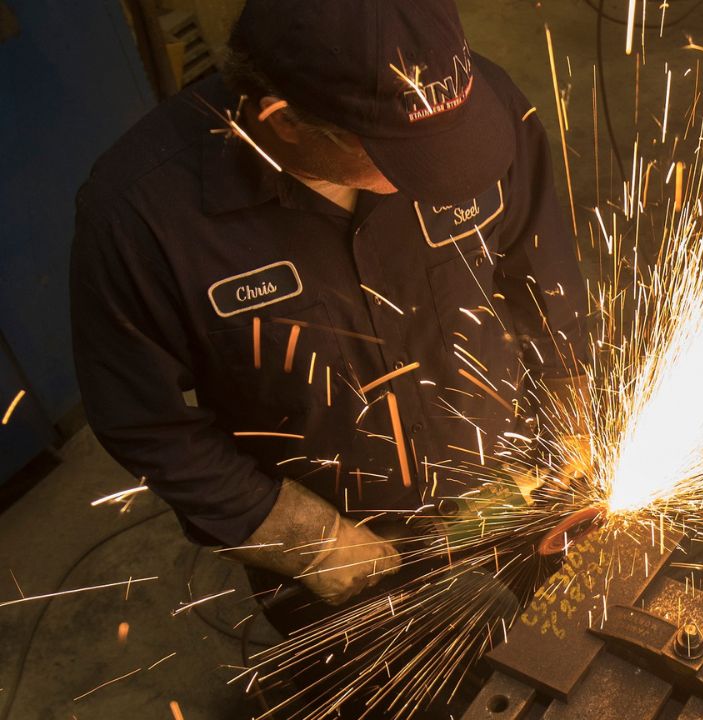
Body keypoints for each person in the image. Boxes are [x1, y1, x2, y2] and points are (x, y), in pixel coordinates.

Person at [70, 0, 588, 674]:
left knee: (561, 665)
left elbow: (542, 273)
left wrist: (572, 399)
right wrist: (300, 537)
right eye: (402, 158)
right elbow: (146, 424)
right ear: (282, 122)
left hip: (519, 487)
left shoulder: (456, 103)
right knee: (394, 692)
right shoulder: (140, 219)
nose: (439, 172)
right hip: (351, 553)